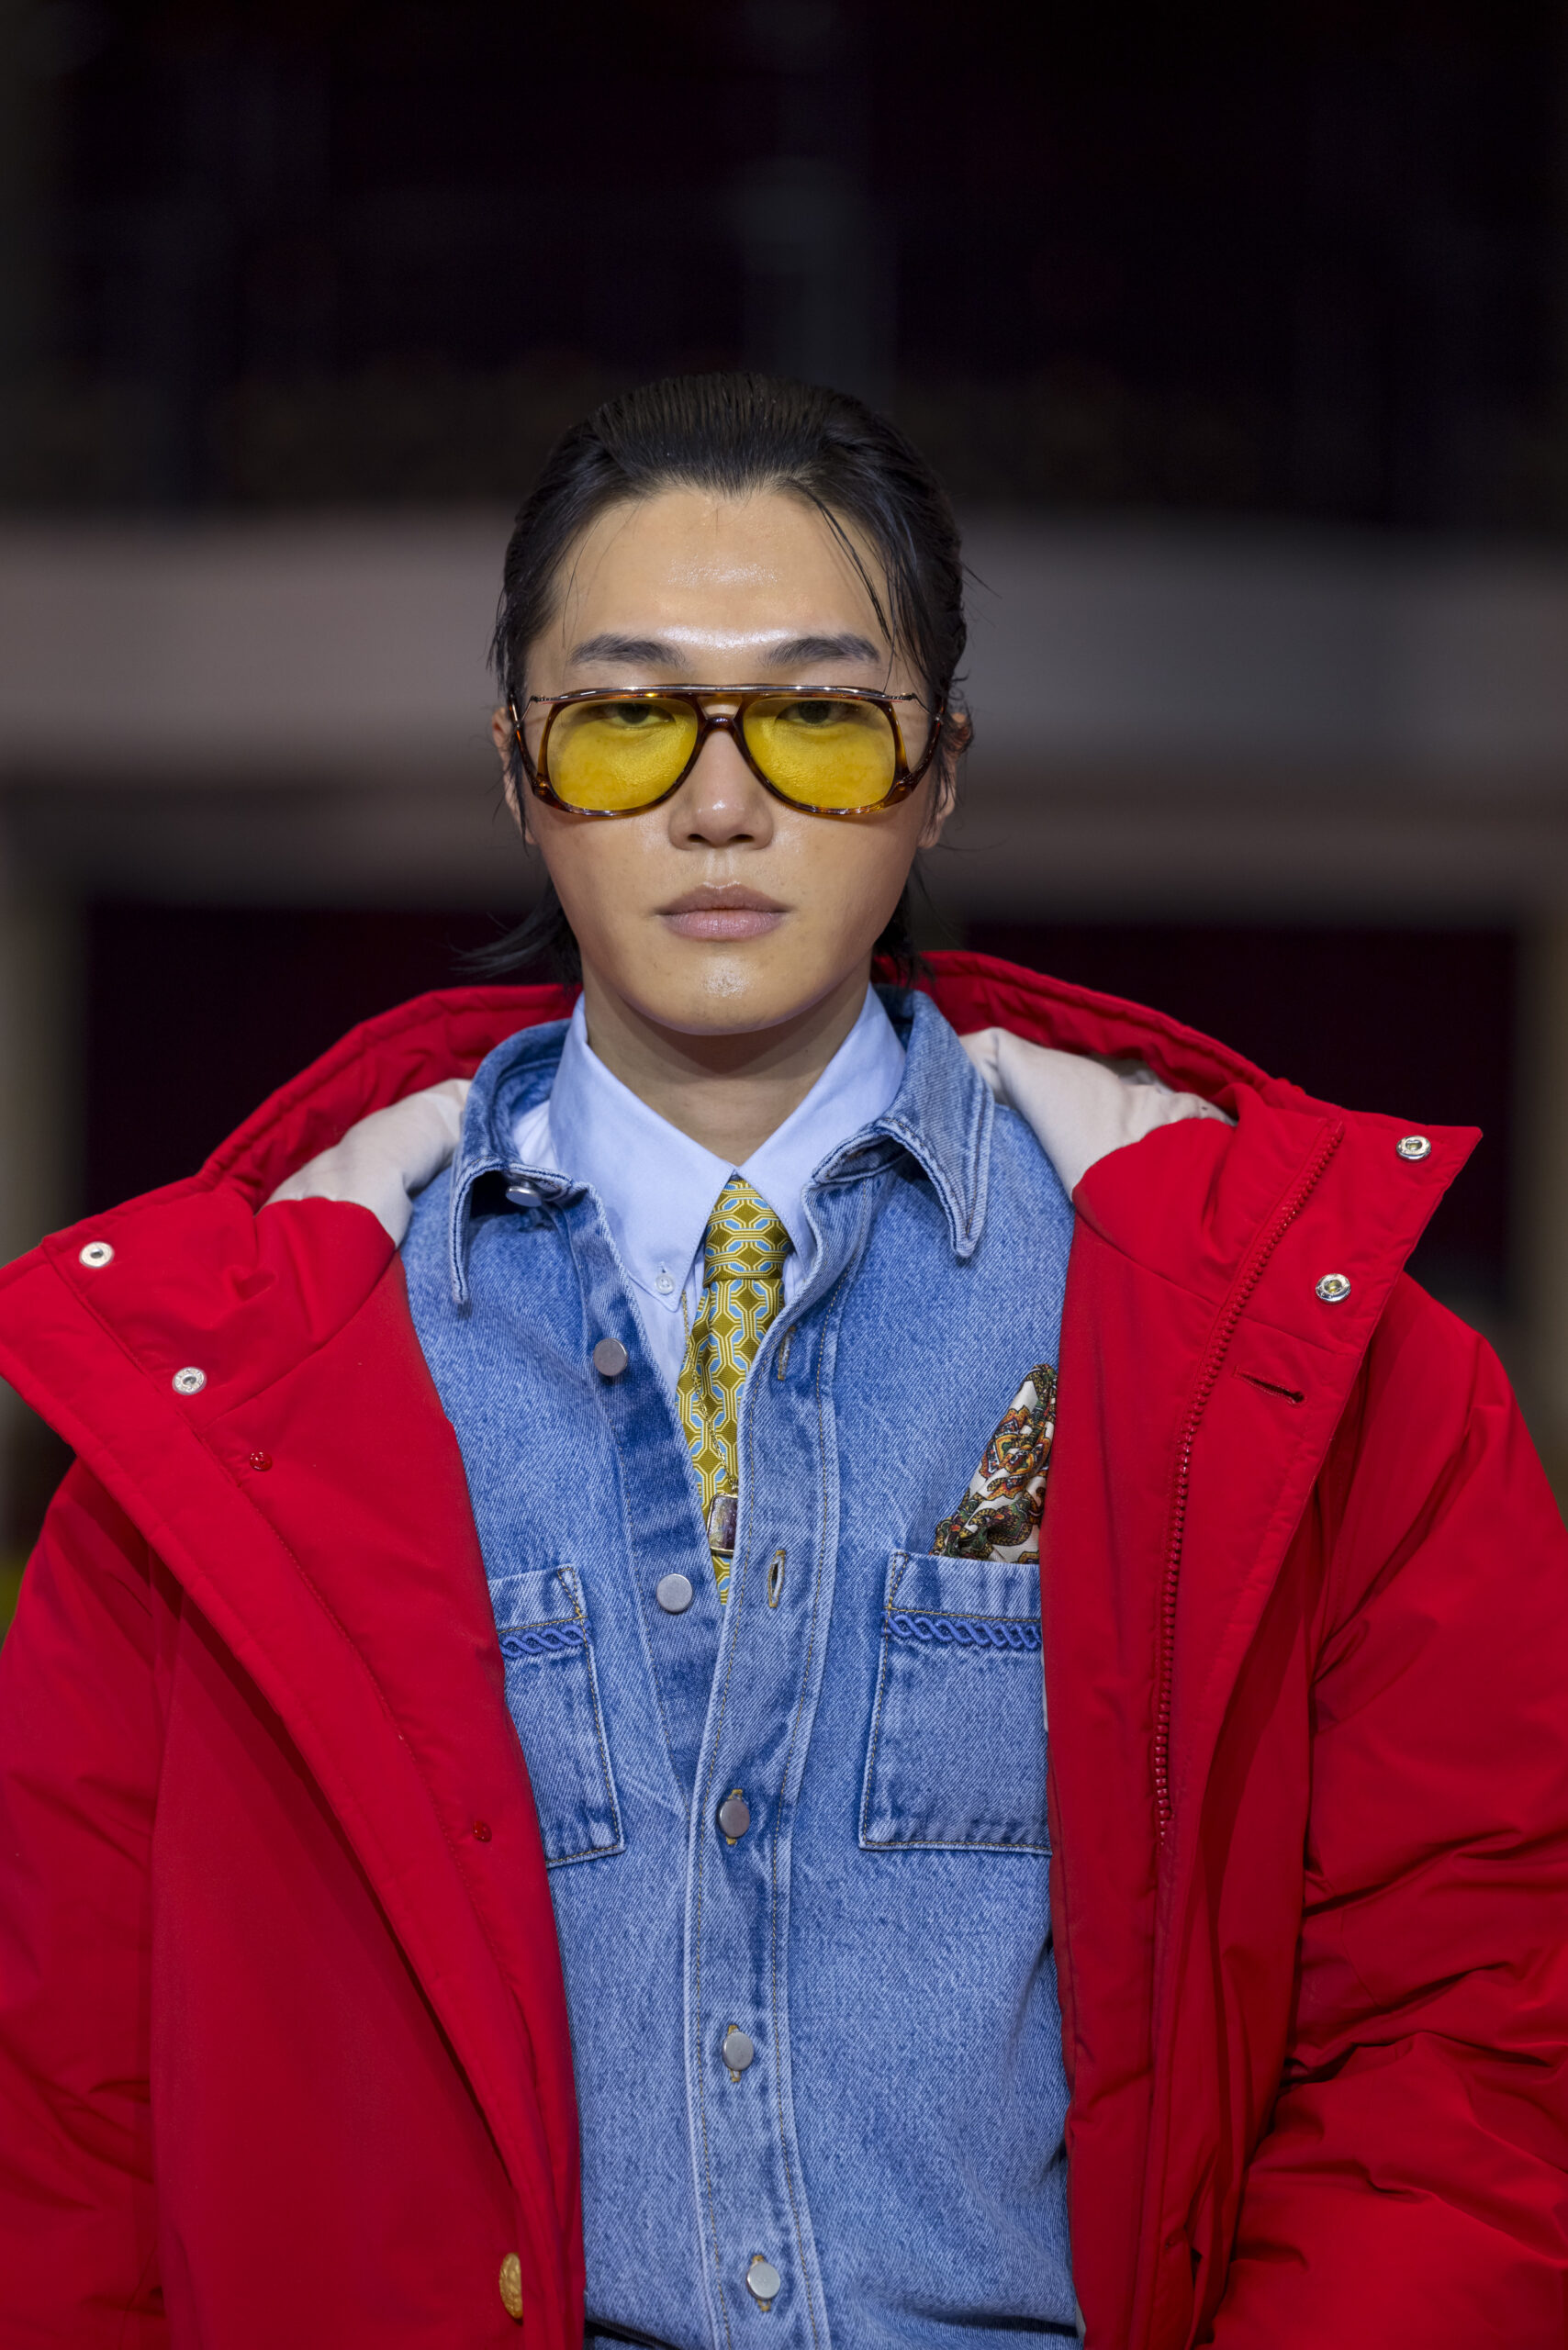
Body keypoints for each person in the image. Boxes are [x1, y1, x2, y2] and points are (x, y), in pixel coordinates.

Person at [1, 373, 1565, 2350]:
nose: (720, 803)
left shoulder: (1301, 1355)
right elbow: (72, 2127)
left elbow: (1456, 2038)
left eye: (819, 716)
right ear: (518, 769)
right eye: (626, 718)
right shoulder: (219, 1399)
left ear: (940, 768)